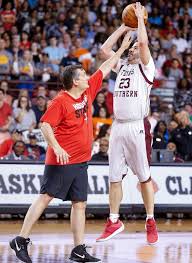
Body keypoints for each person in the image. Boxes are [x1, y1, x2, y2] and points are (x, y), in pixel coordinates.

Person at [9, 32, 133, 263]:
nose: (88, 77)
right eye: (83, 75)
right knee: (45, 198)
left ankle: (78, 249)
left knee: (80, 204)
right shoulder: (60, 101)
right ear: (74, 81)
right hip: (62, 160)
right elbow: (45, 124)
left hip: (81, 161)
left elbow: (105, 67)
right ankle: (20, 240)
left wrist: (121, 48)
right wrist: (56, 147)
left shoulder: (87, 92)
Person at [96, 2, 158, 245]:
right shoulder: (121, 66)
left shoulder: (147, 67)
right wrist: (124, 27)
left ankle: (150, 220)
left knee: (143, 178)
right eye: (130, 48)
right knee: (114, 177)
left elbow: (143, 43)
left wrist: (140, 19)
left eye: (134, 48)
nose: (131, 50)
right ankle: (113, 220)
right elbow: (104, 49)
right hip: (118, 126)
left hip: (137, 126)